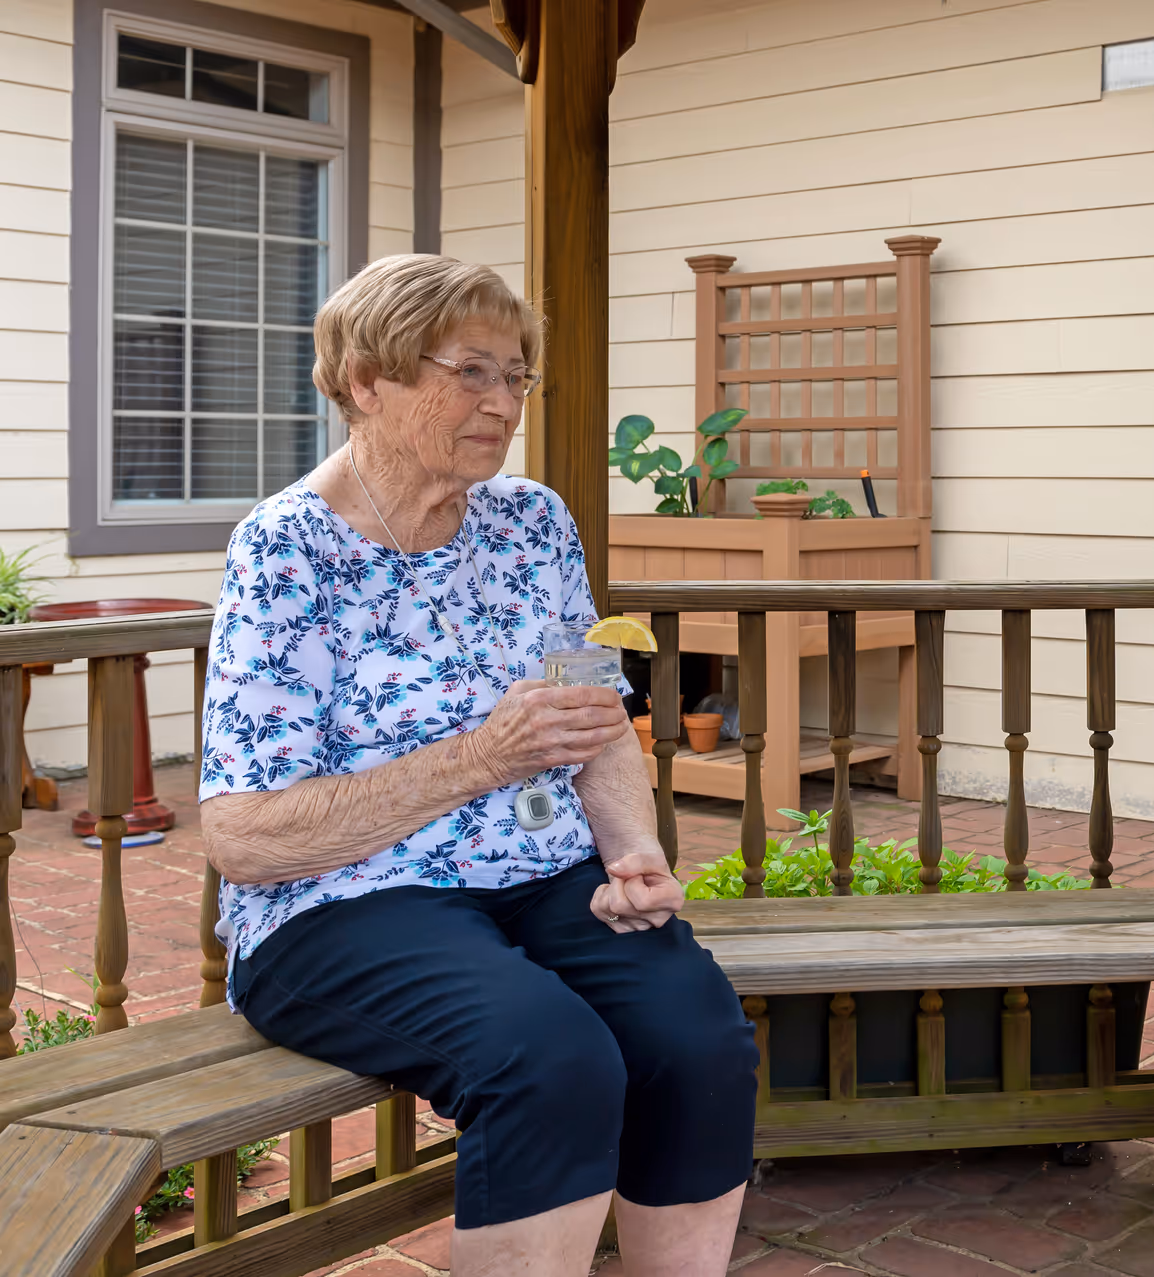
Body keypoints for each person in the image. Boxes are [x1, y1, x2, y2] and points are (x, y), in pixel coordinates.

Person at [198, 254, 757, 1275]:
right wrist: (477, 757)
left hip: (536, 874)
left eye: (516, 377)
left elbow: (593, 709)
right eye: (471, 372)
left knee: (696, 1034)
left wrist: (633, 851)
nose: (502, 403)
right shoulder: (286, 549)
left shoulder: (532, 522)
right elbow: (242, 838)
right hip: (342, 901)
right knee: (548, 1056)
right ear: (368, 379)